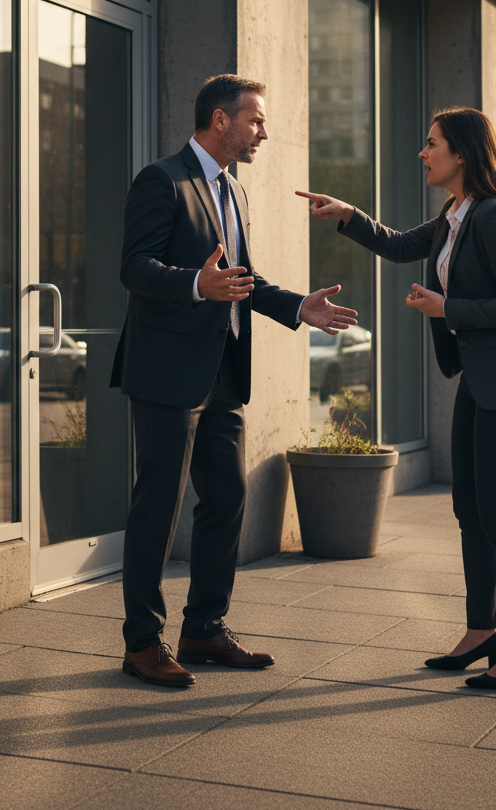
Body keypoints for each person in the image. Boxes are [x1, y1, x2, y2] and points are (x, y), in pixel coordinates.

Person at [297, 106, 496, 690]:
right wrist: (347, 215)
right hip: (481, 378)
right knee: (470, 511)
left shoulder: (494, 218)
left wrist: (447, 309)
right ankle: (481, 631)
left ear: (461, 153)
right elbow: (396, 244)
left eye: (432, 143)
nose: (423, 151)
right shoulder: (454, 215)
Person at [111, 74, 358, 687]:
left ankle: (203, 628)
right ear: (220, 120)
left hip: (223, 370)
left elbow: (242, 278)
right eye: (255, 121)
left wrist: (300, 306)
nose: (263, 132)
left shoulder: (234, 193)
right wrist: (195, 283)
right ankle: (143, 643)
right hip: (167, 373)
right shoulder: (162, 180)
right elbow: (135, 268)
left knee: (227, 497)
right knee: (159, 505)